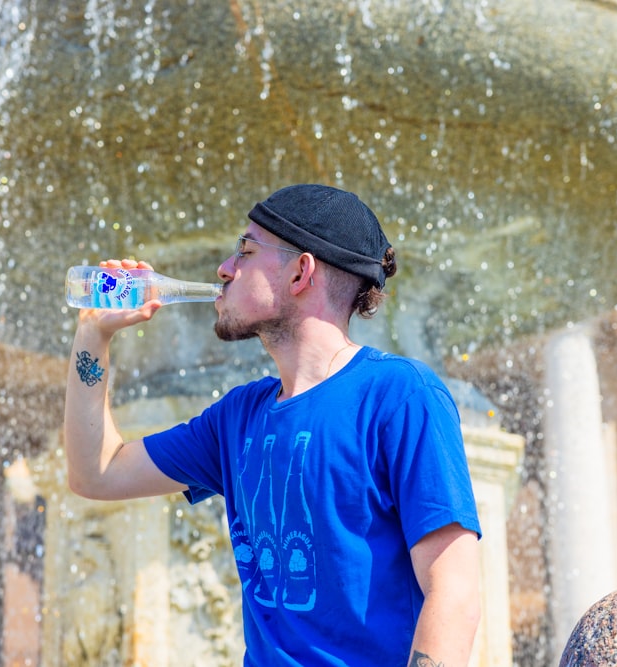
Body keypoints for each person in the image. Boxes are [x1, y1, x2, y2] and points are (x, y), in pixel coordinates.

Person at [64, 184, 482, 667]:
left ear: (301, 272)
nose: (224, 269)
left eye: (245, 251)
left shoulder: (399, 395)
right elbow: (95, 473)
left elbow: (453, 593)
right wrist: (93, 335)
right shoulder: (238, 418)